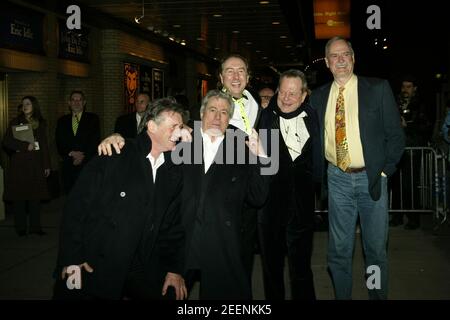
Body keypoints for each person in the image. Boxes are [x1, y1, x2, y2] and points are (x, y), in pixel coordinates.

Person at [98, 89, 271, 299]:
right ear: (202, 112)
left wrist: (262, 156)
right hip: (179, 239)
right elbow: (148, 142)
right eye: (212, 110)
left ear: (230, 117)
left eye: (224, 112)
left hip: (220, 243)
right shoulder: (181, 139)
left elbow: (258, 196)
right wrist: (118, 139)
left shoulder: (241, 146)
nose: (217, 117)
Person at [53, 99, 188, 300]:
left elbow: (170, 224)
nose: (179, 133)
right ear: (151, 125)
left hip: (142, 261)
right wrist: (73, 258)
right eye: (173, 127)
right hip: (98, 259)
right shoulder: (116, 154)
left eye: (181, 127)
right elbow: (77, 207)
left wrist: (174, 269)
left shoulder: (172, 169)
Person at [309, 36, 405, 300]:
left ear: (353, 58)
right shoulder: (317, 97)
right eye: (334, 56)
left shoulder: (377, 88)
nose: (340, 60)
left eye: (345, 55)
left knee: (375, 250)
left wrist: (384, 171)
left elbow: (396, 136)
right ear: (327, 63)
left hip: (371, 179)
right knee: (338, 251)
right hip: (336, 179)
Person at [258, 70, 321, 300]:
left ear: (304, 95)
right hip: (270, 208)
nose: (286, 97)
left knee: (302, 269)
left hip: (302, 209)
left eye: (292, 93)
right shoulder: (265, 118)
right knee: (272, 270)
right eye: (282, 92)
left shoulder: (313, 117)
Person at [218, 54, 263, 280]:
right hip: (223, 199)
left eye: (241, 70)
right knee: (222, 263)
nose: (236, 76)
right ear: (221, 77)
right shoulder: (207, 108)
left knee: (245, 259)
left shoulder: (257, 105)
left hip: (251, 194)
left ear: (248, 75)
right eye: (229, 71)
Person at [2, 96, 51, 237]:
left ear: (34, 105)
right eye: (23, 104)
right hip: (20, 166)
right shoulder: (16, 122)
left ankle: (36, 227)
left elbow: (44, 146)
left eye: (28, 103)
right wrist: (24, 146)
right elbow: (6, 141)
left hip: (36, 165)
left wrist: (46, 165)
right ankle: (21, 228)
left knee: (35, 198)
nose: (25, 106)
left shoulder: (41, 123)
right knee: (20, 199)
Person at [390, 75, 432, 229]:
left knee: (410, 184)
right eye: (403, 86)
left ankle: (414, 219)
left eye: (408, 86)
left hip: (413, 149)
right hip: (397, 149)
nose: (405, 90)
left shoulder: (420, 104)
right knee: (396, 184)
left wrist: (407, 124)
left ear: (415, 89)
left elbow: (426, 126)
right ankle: (397, 216)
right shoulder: (396, 102)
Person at [55, 91, 100, 193]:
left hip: (87, 164)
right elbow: (59, 141)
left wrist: (82, 156)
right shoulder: (62, 120)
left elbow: (95, 140)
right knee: (69, 196)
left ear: (84, 102)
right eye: (73, 100)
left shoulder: (93, 118)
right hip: (68, 164)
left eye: (79, 100)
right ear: (69, 103)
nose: (76, 102)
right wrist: (72, 153)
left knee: (86, 195)